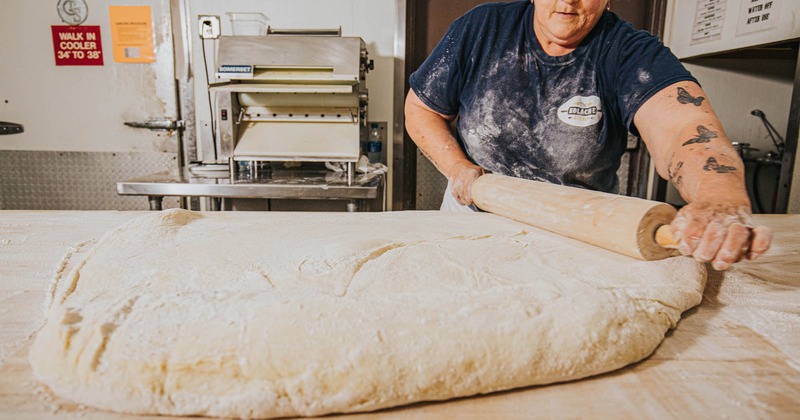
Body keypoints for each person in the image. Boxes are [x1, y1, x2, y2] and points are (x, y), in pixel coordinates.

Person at [404, 0, 772, 270]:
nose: (568, 1)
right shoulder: (481, 29)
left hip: (579, 230)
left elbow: (684, 129)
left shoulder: (629, 52)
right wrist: (459, 169)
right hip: (472, 215)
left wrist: (718, 198)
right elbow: (422, 109)